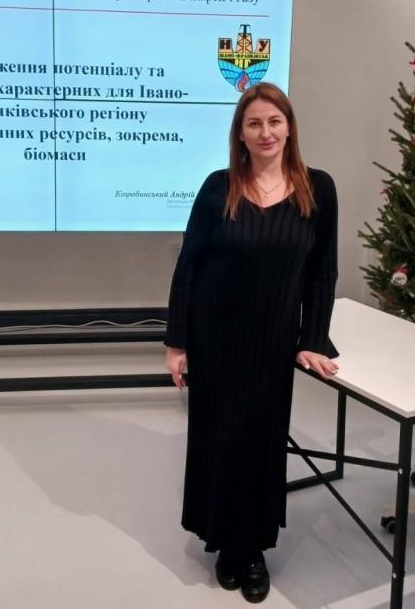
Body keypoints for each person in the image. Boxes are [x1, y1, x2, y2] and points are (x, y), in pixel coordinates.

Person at [164, 82, 339, 603]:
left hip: (272, 342)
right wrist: (177, 343)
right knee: (218, 440)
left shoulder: (317, 188)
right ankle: (224, 543)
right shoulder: (218, 187)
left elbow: (322, 271)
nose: (266, 132)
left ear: (289, 127)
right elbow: (189, 267)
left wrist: (313, 338)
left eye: (274, 122)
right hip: (215, 339)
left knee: (261, 445)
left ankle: (254, 548)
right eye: (254, 123)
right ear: (240, 133)